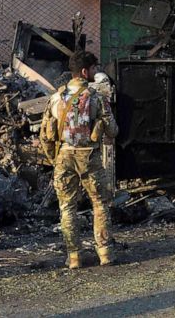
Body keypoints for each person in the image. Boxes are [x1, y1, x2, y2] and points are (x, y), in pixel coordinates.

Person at [39, 50, 119, 269]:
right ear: (85, 72)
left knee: (67, 207)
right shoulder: (96, 98)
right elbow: (112, 130)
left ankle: (74, 257)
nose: (96, 72)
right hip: (89, 157)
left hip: (64, 156)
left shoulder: (55, 98)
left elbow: (45, 135)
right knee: (100, 204)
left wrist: (54, 159)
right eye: (94, 69)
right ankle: (104, 254)